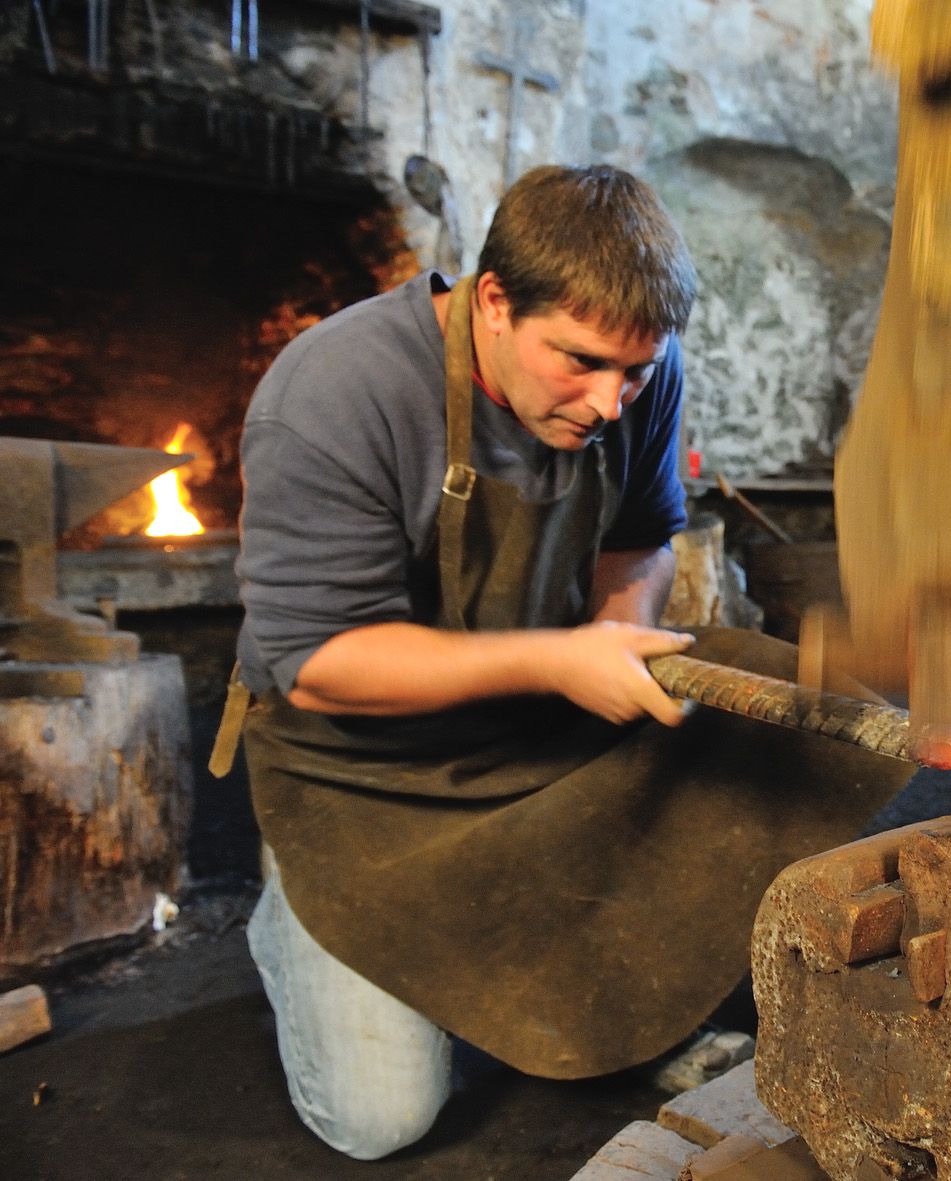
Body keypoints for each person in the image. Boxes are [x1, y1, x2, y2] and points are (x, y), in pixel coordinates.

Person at [217, 165, 911, 1160]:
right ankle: (294, 912)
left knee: (769, 734)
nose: (609, 402)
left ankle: (575, 994)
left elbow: (638, 542)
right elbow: (317, 662)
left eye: (633, 373)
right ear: (491, 301)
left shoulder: (636, 376)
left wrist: (622, 635)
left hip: (535, 727)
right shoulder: (339, 389)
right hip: (363, 766)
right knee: (379, 1119)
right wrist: (558, 658)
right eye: (578, 363)